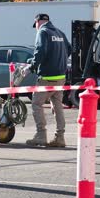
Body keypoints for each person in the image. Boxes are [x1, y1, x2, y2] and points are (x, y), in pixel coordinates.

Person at [24, 13, 72, 147]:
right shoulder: (59, 32)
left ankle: (41, 135)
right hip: (61, 77)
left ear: (38, 22)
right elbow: (70, 49)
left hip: (46, 77)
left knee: (36, 104)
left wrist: (31, 67)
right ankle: (60, 137)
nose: (36, 28)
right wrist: (58, 61)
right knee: (58, 106)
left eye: (36, 25)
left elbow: (40, 52)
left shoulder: (43, 32)